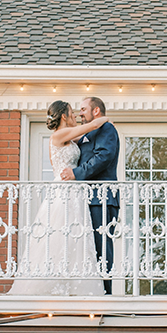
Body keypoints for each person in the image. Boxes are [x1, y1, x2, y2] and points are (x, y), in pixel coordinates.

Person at [8, 100, 111, 296]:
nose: (75, 117)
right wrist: (105, 119)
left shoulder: (69, 139)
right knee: (60, 232)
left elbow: (86, 135)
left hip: (74, 191)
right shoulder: (58, 135)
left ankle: (73, 282)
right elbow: (92, 125)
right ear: (64, 116)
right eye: (72, 113)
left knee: (75, 235)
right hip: (64, 191)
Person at [58, 96, 121, 295]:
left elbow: (103, 157)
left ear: (96, 111)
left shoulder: (106, 129)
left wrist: (76, 173)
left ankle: (106, 292)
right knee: (85, 247)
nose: (79, 113)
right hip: (83, 199)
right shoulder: (89, 132)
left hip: (100, 197)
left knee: (101, 246)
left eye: (83, 109)